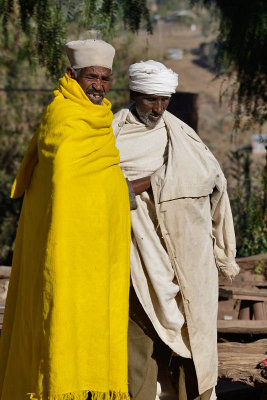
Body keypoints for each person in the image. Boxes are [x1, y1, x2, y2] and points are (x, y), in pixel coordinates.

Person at [0, 40, 131, 400]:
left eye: (106, 79)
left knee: (95, 320)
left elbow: (103, 179)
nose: (99, 86)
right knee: (57, 318)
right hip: (62, 246)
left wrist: (117, 190)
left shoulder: (102, 119)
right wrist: (121, 188)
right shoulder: (62, 116)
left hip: (95, 249)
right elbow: (67, 180)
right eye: (92, 77)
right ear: (72, 75)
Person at [112, 60, 240, 400]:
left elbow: (214, 186)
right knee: (138, 341)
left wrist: (222, 252)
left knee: (194, 339)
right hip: (137, 259)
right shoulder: (113, 137)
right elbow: (101, 191)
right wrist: (146, 185)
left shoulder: (184, 138)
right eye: (150, 99)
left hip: (189, 256)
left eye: (164, 100)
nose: (157, 108)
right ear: (133, 94)